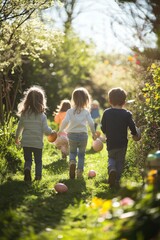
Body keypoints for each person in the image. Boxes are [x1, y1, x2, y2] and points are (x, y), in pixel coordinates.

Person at [101, 87, 140, 188]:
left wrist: (106, 132)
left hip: (111, 142)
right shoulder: (126, 114)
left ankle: (111, 169)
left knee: (111, 158)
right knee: (120, 161)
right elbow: (132, 126)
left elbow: (103, 127)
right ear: (124, 102)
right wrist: (135, 134)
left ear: (110, 101)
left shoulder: (106, 113)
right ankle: (117, 180)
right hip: (122, 143)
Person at [15, 85, 55, 182]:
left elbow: (19, 127)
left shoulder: (24, 115)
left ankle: (27, 169)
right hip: (37, 143)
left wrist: (16, 138)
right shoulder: (42, 116)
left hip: (26, 142)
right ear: (41, 101)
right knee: (38, 161)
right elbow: (46, 130)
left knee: (28, 160)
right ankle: (38, 177)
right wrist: (51, 132)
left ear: (27, 100)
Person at [58, 87, 97, 179]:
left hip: (71, 135)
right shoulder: (86, 112)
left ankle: (72, 162)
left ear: (73, 99)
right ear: (86, 100)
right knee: (81, 154)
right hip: (83, 135)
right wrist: (93, 133)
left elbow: (65, 121)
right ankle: (79, 171)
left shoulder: (70, 111)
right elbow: (91, 123)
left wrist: (60, 130)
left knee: (72, 152)